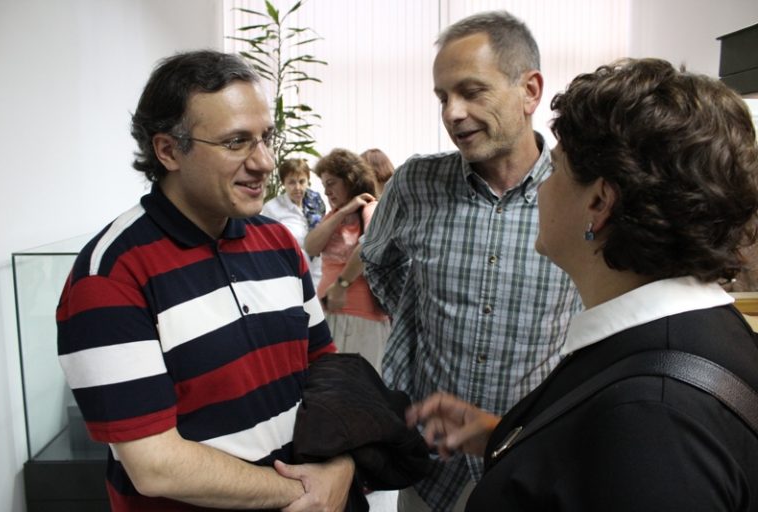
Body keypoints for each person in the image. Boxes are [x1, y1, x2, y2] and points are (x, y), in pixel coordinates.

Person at [408, 58, 758, 511]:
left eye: (554, 169)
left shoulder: (654, 421)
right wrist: (505, 435)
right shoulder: (697, 333)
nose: (541, 188)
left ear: (599, 202)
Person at [56, 50, 355, 511]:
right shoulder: (109, 274)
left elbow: (325, 371)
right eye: (236, 142)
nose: (265, 162)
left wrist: (342, 466)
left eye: (265, 138)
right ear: (168, 150)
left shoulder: (277, 242)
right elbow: (155, 464)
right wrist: (305, 492)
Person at [360, 11, 581, 510]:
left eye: (472, 91)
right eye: (442, 97)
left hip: (529, 462)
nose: (453, 113)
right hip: (430, 463)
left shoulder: (578, 190)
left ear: (530, 91)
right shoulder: (416, 184)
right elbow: (377, 260)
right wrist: (419, 313)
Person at [305, 148, 391, 373]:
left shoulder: (371, 208)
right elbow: (311, 246)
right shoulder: (335, 214)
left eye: (331, 183)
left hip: (361, 318)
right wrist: (343, 212)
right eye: (324, 185)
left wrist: (341, 285)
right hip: (329, 314)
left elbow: (369, 245)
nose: (327, 191)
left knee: (358, 385)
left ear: (349, 180)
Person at [261, 158, 325, 287]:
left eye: (302, 181)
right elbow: (267, 247)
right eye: (291, 182)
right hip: (291, 277)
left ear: (308, 181)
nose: (297, 188)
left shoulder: (317, 202)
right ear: (283, 183)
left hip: (320, 274)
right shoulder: (272, 208)